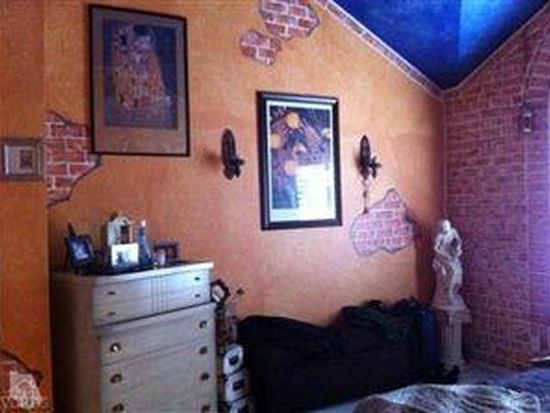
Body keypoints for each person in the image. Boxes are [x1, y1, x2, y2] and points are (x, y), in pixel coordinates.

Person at [432, 219, 466, 310]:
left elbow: (458, 240)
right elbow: (435, 249)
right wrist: (445, 256)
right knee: (452, 270)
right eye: (443, 227)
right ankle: (448, 292)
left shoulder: (453, 231)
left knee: (459, 270)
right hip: (442, 255)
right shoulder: (440, 236)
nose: (445, 229)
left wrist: (458, 248)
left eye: (446, 227)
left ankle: (455, 291)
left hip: (451, 253)